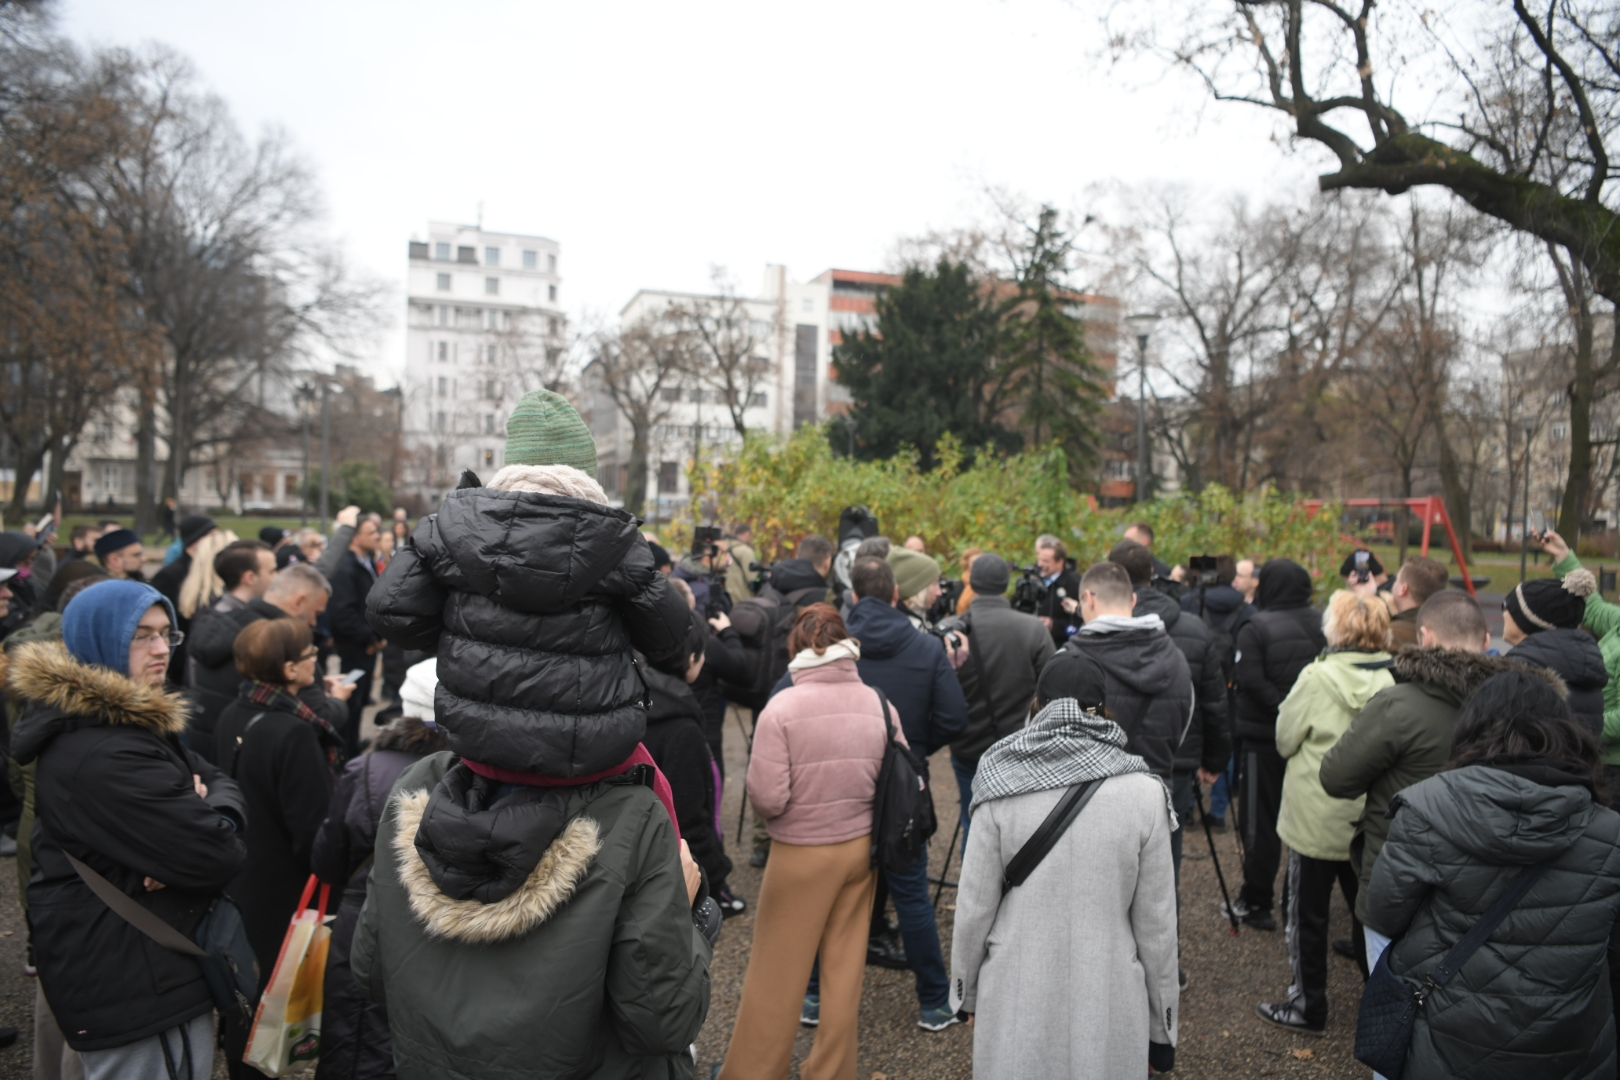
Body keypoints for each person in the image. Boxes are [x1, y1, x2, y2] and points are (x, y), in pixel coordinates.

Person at [354, 389, 708, 1079]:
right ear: (589, 477)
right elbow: (675, 640)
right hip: (588, 756)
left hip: (479, 751)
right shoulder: (613, 545)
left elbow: (389, 612)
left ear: (504, 467)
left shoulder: (456, 529)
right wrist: (693, 915)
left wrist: (448, 557)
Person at [11, 579, 246, 1078]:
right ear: (99, 640)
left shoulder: (119, 723)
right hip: (135, 978)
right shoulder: (108, 750)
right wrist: (200, 818)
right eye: (140, 635)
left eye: (166, 634)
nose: (161, 649)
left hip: (125, 964)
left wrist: (208, 811)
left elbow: (218, 777)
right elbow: (216, 855)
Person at [1366, 669, 1620, 1079]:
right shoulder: (1609, 832)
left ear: (1472, 727)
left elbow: (1384, 914)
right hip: (1569, 1045)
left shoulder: (1426, 809)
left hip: (1448, 1034)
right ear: (1567, 733)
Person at [950, 653, 1179, 1078]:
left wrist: (966, 993)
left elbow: (974, 906)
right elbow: (1158, 927)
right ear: (1103, 710)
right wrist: (1161, 1027)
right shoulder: (1145, 793)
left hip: (1016, 986)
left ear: (1038, 704)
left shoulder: (1000, 780)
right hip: (1109, 993)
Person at [716, 605, 892, 1080]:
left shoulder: (783, 709)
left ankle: (754, 1072)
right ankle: (832, 1072)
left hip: (800, 854)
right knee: (844, 972)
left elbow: (768, 799)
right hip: (862, 850)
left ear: (796, 648)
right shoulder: (879, 703)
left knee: (776, 974)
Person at [804, 556, 969, 1031]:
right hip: (901, 785)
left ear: (854, 596)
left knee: (835, 894)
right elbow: (957, 719)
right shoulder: (924, 648)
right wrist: (911, 748)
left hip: (840, 783)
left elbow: (789, 696)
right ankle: (935, 1002)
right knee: (912, 895)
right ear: (896, 594)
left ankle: (814, 997)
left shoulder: (831, 644)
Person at [1316, 591, 1505, 986]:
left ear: (1426, 637)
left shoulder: (1398, 706)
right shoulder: (1514, 706)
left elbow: (1335, 777)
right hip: (1487, 879)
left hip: (1400, 875)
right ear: (1487, 640)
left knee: (1393, 997)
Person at [1254, 589, 1393, 1036]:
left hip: (1314, 815)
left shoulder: (1316, 678)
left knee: (1306, 917)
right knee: (1368, 915)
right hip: (1368, 818)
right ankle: (1381, 1004)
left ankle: (1308, 1005)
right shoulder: (1395, 682)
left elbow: (1284, 737)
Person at [213, 617, 342, 1077]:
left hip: (243, 878)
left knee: (247, 995)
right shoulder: (294, 733)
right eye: (309, 654)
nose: (316, 660)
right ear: (289, 669)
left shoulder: (234, 712)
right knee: (279, 996)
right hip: (286, 892)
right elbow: (315, 833)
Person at [312, 661, 448, 1080]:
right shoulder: (474, 775)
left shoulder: (368, 769)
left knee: (357, 1040)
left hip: (367, 920)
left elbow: (327, 861)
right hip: (444, 929)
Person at [1227, 558, 1325, 931]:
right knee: (1305, 822)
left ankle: (1257, 901)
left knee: (1259, 824)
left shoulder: (1256, 625)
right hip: (1311, 737)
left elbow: (1248, 678)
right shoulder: (1323, 623)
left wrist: (1284, 711)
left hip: (1264, 738)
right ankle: (1293, 903)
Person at [187, 563, 352, 764]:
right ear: (299, 602)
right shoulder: (284, 644)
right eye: (316, 614)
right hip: (266, 759)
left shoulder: (234, 627)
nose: (314, 623)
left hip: (215, 750)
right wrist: (338, 699)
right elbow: (317, 717)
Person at [1052, 561, 1192, 782]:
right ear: (1133, 600)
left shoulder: (1065, 661)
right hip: (1156, 799)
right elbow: (1181, 733)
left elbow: (1043, 737)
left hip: (1086, 802)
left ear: (1088, 599)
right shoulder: (1177, 660)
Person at [949, 553, 1054, 848]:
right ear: (1005, 585)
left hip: (968, 745)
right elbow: (1051, 690)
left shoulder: (951, 629)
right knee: (1023, 824)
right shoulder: (1033, 629)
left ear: (972, 582)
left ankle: (975, 889)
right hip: (1020, 746)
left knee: (974, 819)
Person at [639, 617, 740, 914]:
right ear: (692, 658)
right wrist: (714, 875)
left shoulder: (639, 702)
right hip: (682, 875)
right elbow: (690, 816)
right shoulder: (683, 728)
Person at [1501, 571, 1608, 739]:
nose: (1504, 613)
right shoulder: (1586, 666)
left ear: (1529, 619)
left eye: (1507, 606)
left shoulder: (1519, 673)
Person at [327, 513, 384, 756]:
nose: (377, 536)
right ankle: (344, 752)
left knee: (360, 699)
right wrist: (370, 637)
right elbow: (343, 616)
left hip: (367, 644)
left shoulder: (366, 562)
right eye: (371, 532)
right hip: (354, 646)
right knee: (350, 699)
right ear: (355, 538)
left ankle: (351, 744)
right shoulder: (346, 568)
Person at [149, 514, 218, 616]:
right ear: (196, 541)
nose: (218, 541)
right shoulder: (169, 575)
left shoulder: (211, 568)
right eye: (212, 537)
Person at [1385, 556, 1448, 648]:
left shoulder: (1393, 633)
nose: (1393, 585)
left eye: (1397, 580)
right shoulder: (1446, 628)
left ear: (1403, 589)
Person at [1032, 534, 1080, 647]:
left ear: (1060, 562)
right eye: (1039, 560)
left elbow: (1080, 622)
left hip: (1058, 646)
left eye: (1045, 561)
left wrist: (1054, 625)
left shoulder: (1074, 584)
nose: (1040, 564)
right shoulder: (1033, 579)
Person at [886, 547, 942, 631]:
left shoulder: (914, 621)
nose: (939, 592)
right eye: (934, 583)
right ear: (916, 589)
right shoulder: (906, 632)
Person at [723, 523, 758, 601]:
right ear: (746, 534)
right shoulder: (745, 551)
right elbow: (752, 579)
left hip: (725, 600)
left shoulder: (722, 550)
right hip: (742, 600)